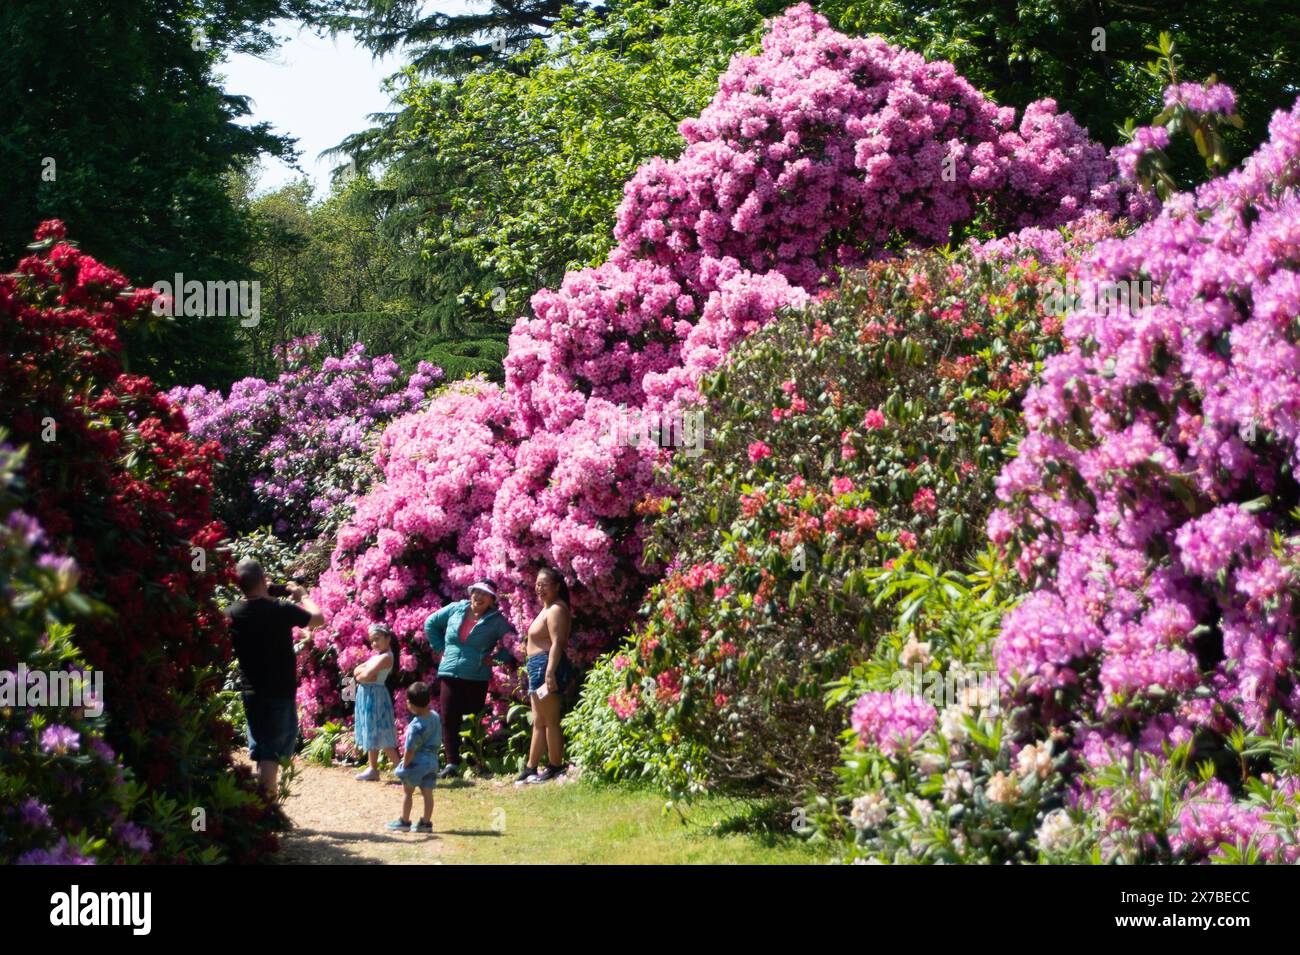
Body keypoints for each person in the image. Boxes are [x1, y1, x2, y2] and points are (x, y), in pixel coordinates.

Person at [226, 558, 324, 797]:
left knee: (262, 749)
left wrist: (262, 593)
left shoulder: (231, 613)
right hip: (279, 691)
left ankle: (262, 805)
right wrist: (302, 596)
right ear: (262, 579)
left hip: (251, 692)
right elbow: (317, 619)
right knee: (271, 752)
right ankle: (267, 812)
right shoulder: (280, 609)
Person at [422, 580, 516, 778]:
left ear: (492, 600)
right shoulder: (456, 609)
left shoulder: (496, 620)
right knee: (449, 718)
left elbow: (511, 642)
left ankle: (474, 759)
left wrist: (497, 658)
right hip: (450, 672)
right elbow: (430, 623)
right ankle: (452, 764)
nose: (479, 597)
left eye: (485, 594)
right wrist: (440, 648)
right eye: (476, 592)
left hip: (476, 675)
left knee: (472, 714)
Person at [516, 566, 574, 785]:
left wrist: (550, 672)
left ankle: (555, 765)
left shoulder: (557, 609)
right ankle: (531, 767)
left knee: (550, 720)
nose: (539, 588)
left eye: (545, 584)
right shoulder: (546, 608)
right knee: (539, 721)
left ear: (557, 586)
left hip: (545, 667)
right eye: (537, 584)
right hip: (536, 668)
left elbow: (558, 643)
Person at [387, 681, 440, 833]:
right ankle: (426, 822)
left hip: (417, 763)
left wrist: (404, 765)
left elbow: (410, 750)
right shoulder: (435, 717)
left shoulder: (415, 726)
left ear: (410, 704)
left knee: (408, 792)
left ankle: (404, 821)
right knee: (428, 793)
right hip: (432, 761)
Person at [352, 623, 399, 781]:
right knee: (371, 731)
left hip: (375, 696)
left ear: (388, 638)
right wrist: (361, 675)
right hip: (368, 694)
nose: (374, 643)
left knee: (381, 733)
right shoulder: (376, 656)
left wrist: (362, 676)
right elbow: (357, 671)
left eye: (377, 639)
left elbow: (366, 676)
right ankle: (373, 769)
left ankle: (401, 769)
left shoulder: (386, 657)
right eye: (372, 640)